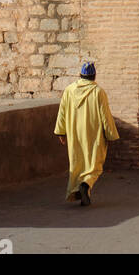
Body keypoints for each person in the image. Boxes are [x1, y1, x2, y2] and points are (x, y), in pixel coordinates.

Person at [54, 61, 119, 206]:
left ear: (80, 75)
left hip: (74, 134)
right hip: (93, 135)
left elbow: (62, 112)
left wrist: (61, 132)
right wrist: (111, 134)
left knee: (77, 164)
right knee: (94, 164)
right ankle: (86, 184)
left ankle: (78, 191)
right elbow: (105, 115)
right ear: (94, 76)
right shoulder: (98, 92)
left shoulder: (69, 90)